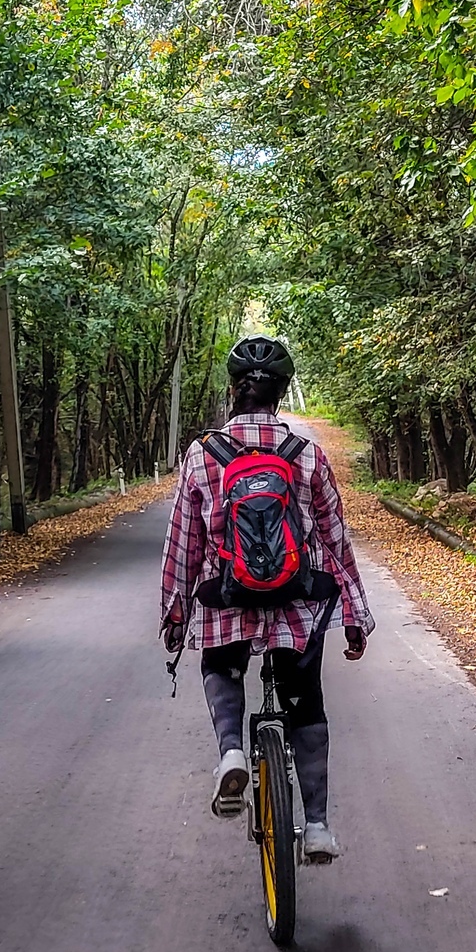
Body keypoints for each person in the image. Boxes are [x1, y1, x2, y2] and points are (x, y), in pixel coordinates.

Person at [159, 335, 374, 861]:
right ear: (281, 392)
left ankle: (232, 750)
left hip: (226, 598)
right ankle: (318, 826)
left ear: (234, 389)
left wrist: (176, 609)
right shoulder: (307, 455)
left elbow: (183, 540)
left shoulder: (201, 454)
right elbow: (334, 537)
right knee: (307, 704)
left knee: (222, 666)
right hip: (297, 602)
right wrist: (354, 614)